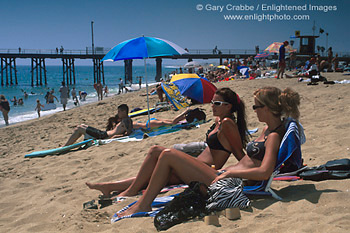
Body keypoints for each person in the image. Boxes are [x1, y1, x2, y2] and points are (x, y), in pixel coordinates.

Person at [113, 86, 301, 217]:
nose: (254, 111)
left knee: (168, 154)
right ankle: (139, 199)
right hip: (225, 175)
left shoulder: (274, 136)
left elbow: (265, 172)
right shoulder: (267, 130)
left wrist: (230, 172)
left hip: (231, 183)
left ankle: (143, 204)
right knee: (162, 153)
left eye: (256, 107)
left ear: (266, 109)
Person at [86, 87, 249, 198]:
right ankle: (111, 186)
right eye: (212, 102)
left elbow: (239, 153)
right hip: (196, 165)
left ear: (229, 106)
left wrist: (249, 174)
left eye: (217, 103)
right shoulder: (220, 121)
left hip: (204, 171)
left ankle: (126, 190)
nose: (212, 106)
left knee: (159, 156)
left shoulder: (228, 124)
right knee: (155, 160)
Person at [64, 104, 133, 146]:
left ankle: (65, 146)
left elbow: (128, 133)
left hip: (104, 136)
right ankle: (66, 145)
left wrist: (116, 136)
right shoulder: (124, 119)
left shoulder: (126, 120)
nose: (118, 113)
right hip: (103, 133)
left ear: (124, 111)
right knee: (82, 125)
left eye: (119, 112)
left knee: (79, 128)